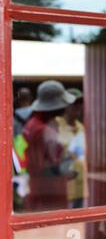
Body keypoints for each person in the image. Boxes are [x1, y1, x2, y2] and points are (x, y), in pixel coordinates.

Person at [23, 80, 77, 211]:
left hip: (38, 190)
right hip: (50, 194)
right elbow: (43, 167)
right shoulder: (43, 130)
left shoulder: (32, 124)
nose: (66, 107)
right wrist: (66, 170)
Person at [55, 88, 85, 209]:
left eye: (80, 103)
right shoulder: (56, 125)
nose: (78, 106)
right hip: (61, 190)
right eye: (74, 103)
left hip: (81, 190)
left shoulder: (82, 128)